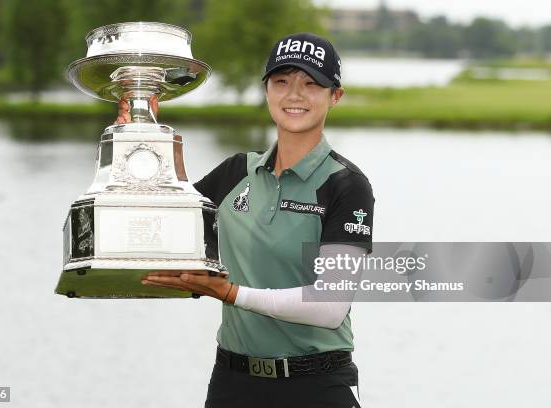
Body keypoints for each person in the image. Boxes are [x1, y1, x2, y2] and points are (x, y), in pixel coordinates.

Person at [118, 32, 375, 408]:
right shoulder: (236, 171)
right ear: (266, 90)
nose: (294, 94)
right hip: (232, 383)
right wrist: (143, 136)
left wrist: (230, 294)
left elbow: (330, 306)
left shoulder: (347, 186)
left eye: (311, 83)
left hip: (316, 385)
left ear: (335, 95)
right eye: (282, 81)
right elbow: (169, 226)